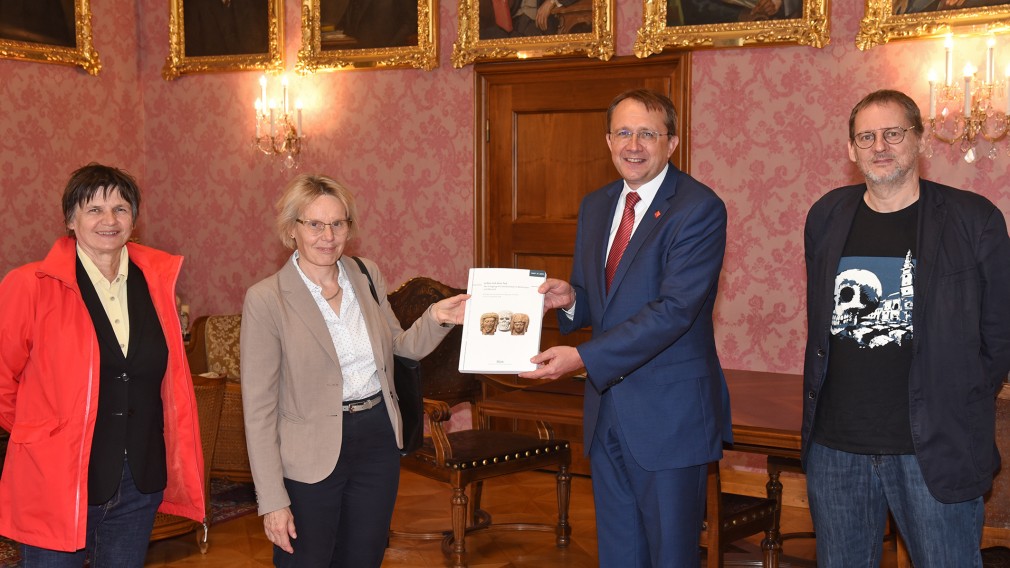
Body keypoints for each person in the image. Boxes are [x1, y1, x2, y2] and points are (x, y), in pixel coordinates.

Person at [519, 88, 732, 567]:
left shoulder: (698, 208)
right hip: (606, 412)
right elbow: (605, 300)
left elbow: (675, 310)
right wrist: (572, 300)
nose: (633, 145)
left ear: (672, 143)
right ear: (608, 140)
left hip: (668, 418)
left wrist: (583, 358)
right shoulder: (597, 206)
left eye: (647, 133)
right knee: (620, 554)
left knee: (670, 557)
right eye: (623, 132)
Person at [802, 89, 1010, 567]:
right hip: (837, 448)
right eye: (867, 137)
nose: (880, 146)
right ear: (851, 150)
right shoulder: (826, 216)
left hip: (933, 446)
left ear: (919, 141)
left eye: (893, 133)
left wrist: (960, 394)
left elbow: (1000, 333)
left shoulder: (973, 220)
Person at [240, 173, 468, 567]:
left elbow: (398, 348)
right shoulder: (266, 299)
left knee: (364, 557)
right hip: (309, 452)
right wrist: (272, 500)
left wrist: (437, 317)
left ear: (349, 227)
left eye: (338, 223)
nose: (327, 235)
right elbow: (258, 409)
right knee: (306, 561)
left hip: (377, 439)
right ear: (292, 229)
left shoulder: (366, 275)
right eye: (314, 223)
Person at [0, 163, 205, 566]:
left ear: (134, 219)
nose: (108, 220)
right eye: (94, 209)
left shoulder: (156, 284)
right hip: (58, 480)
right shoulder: (30, 285)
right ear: (70, 220)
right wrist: (42, 433)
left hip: (139, 480)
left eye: (120, 209)